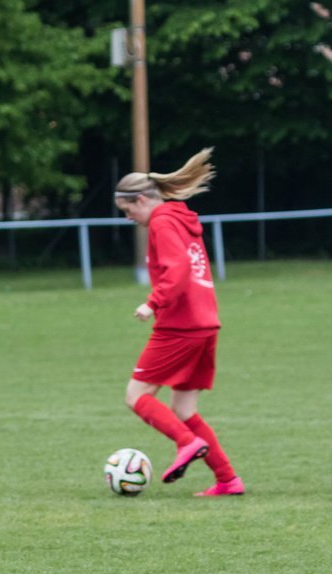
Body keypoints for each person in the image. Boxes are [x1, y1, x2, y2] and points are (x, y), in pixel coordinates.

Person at [114, 148, 244, 496]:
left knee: (136, 395)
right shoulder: (178, 217)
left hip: (180, 326)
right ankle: (228, 479)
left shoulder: (161, 222)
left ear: (141, 199)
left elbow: (180, 270)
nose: (128, 218)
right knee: (184, 408)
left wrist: (152, 303)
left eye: (128, 210)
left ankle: (186, 444)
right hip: (205, 324)